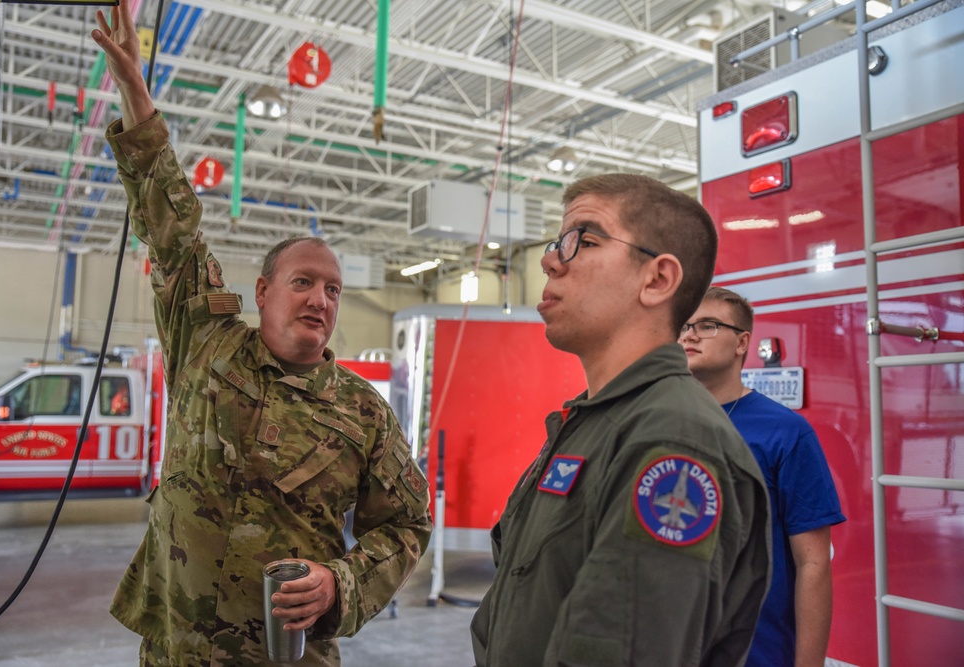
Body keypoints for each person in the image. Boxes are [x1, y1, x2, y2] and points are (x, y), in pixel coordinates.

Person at [92, 5, 432, 666]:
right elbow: (171, 223)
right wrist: (135, 90)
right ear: (264, 292)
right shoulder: (206, 340)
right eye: (305, 281)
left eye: (333, 289)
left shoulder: (363, 413)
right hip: (177, 651)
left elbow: (408, 524)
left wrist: (344, 582)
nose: (321, 298)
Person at [470, 174, 772, 666]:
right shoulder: (593, 423)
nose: (550, 260)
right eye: (558, 243)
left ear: (656, 280)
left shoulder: (673, 440)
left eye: (585, 241)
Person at [680, 286, 845, 667]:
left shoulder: (785, 432)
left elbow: (813, 564)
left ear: (742, 343)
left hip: (758, 653)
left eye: (706, 325)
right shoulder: (658, 423)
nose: (689, 334)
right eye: (684, 325)